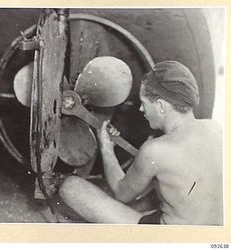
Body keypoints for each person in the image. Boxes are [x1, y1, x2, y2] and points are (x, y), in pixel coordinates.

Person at [59, 60, 223, 225]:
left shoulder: (155, 149)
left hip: (173, 239)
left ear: (161, 106)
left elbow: (121, 193)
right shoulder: (215, 129)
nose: (141, 109)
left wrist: (106, 147)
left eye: (144, 103)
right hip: (213, 232)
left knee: (71, 188)